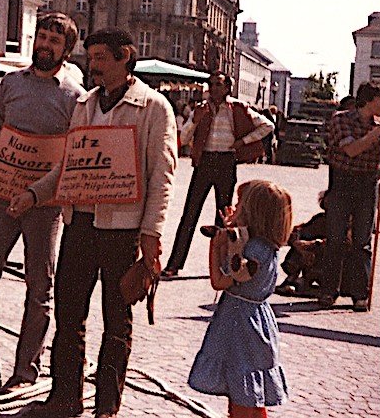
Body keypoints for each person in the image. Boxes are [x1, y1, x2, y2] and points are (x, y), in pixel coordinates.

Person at [21, 27, 177, 418]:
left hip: (122, 231)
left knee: (116, 319)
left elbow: (163, 175)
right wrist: (34, 193)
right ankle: (64, 398)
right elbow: (69, 166)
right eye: (91, 59)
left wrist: (151, 236)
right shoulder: (85, 105)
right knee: (69, 313)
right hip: (80, 224)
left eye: (101, 59)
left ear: (125, 56)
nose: (93, 67)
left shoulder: (155, 108)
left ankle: (107, 405)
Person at [0, 12, 83, 394]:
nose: (44, 44)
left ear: (66, 50)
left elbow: (73, 157)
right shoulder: (10, 83)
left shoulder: (74, 96)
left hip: (44, 207)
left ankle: (25, 372)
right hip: (1, 197)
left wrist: (39, 192)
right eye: (41, 36)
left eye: (54, 40)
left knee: (39, 289)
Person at [188, 180, 292, 418]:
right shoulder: (265, 245)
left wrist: (217, 246)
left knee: (242, 390)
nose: (234, 208)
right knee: (251, 392)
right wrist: (232, 240)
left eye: (239, 205)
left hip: (241, 324)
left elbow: (220, 280)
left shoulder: (254, 251)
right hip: (254, 319)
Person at [162, 72, 273, 278]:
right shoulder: (201, 109)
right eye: (211, 84)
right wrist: (195, 120)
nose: (214, 88)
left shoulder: (237, 108)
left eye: (219, 84)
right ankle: (174, 264)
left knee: (223, 217)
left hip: (226, 162)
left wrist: (244, 141)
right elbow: (184, 138)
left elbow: (268, 125)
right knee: (190, 213)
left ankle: (223, 264)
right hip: (204, 162)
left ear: (228, 88)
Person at [318, 81, 380, 311]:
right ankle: (329, 291)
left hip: (367, 183)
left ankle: (360, 294)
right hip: (342, 181)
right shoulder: (341, 119)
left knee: (362, 241)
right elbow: (351, 150)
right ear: (368, 99)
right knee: (335, 238)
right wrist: (379, 132)